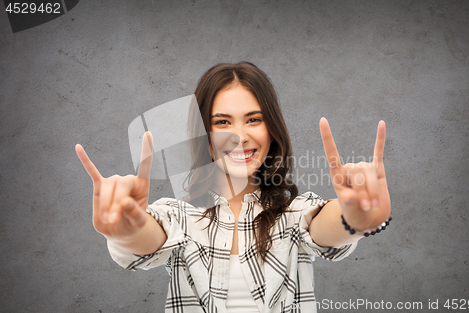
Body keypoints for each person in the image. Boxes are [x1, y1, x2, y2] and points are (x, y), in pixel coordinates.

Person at [75, 62, 391, 313]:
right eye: (223, 122)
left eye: (253, 119)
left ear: (272, 130)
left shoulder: (294, 214)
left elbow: (324, 223)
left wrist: (355, 217)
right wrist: (125, 230)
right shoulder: (181, 219)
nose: (239, 135)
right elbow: (149, 235)